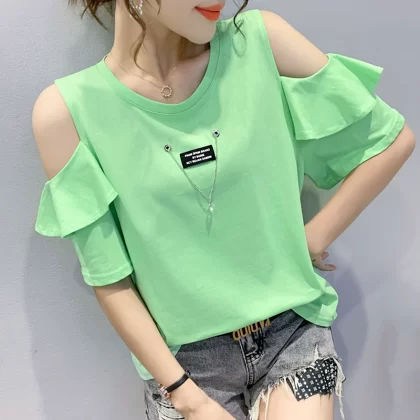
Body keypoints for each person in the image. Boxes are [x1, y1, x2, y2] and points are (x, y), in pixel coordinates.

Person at [32, 1, 416, 419]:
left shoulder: (259, 42)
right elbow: (110, 279)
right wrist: (187, 397)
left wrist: (312, 238)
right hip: (185, 366)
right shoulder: (67, 112)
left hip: (292, 333)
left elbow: (391, 140)